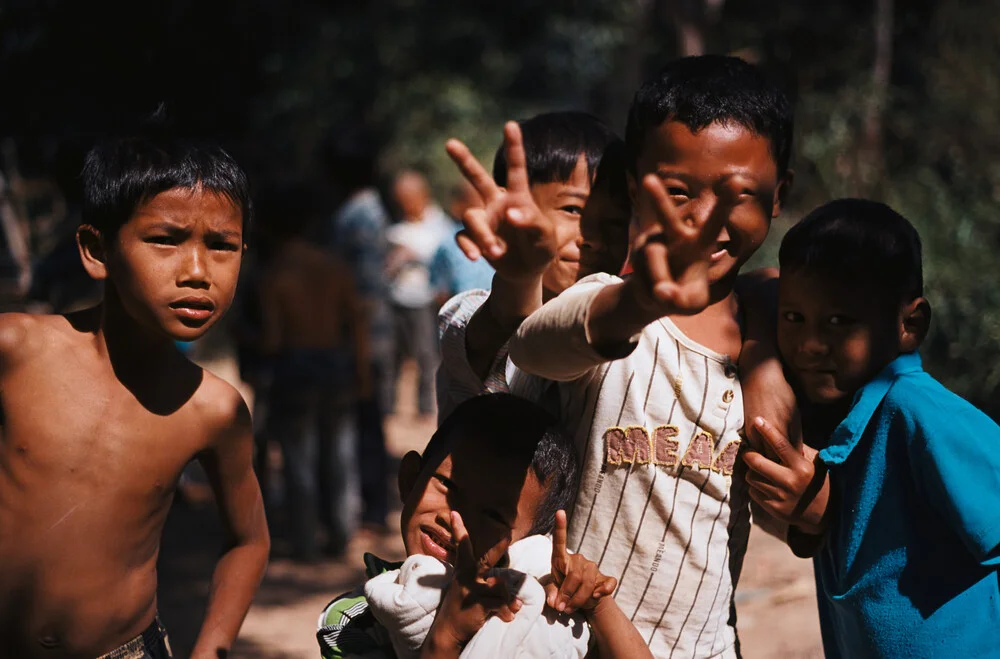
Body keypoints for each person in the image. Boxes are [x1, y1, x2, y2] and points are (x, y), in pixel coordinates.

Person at [505, 55, 795, 656]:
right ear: (636, 185)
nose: (701, 219)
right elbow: (536, 345)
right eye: (679, 192)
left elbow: (790, 514)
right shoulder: (607, 307)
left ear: (777, 197)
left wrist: (811, 503)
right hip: (566, 642)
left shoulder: (781, 343)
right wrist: (639, 300)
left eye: (737, 194)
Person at [0, 134, 270, 658]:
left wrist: (212, 647)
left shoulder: (212, 409)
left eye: (222, 246)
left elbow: (250, 540)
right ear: (97, 250)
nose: (197, 272)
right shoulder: (16, 350)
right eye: (166, 239)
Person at [742, 199, 1000, 658]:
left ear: (910, 325)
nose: (811, 343)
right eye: (793, 318)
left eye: (840, 322)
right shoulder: (842, 415)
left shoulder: (919, 412)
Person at [316, 393, 652, 659]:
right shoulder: (354, 621)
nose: (455, 519)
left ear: (528, 541)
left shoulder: (538, 611)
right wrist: (445, 637)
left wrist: (597, 604)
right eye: (448, 487)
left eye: (492, 516)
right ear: (409, 479)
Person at [437, 111, 630, 420]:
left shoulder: (633, 330)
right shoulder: (470, 314)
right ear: (509, 208)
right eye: (572, 209)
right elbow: (510, 321)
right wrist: (521, 278)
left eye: (617, 221)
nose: (593, 238)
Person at [258, 186, 368, 559]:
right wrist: (362, 370)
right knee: (340, 453)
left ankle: (304, 542)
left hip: (296, 368)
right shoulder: (334, 266)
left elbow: (272, 340)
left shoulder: (275, 274)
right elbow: (357, 323)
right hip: (336, 364)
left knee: (298, 458)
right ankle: (341, 534)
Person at [326, 141, 392, 531]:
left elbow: (364, 292)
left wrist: (361, 347)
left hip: (365, 338)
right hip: (363, 336)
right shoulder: (362, 211)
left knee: (365, 420)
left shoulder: (361, 216)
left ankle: (373, 507)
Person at [387, 170, 451, 419]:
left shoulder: (440, 226)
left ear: (422, 196)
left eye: (408, 198)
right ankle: (390, 407)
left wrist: (413, 254)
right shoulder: (397, 226)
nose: (404, 204)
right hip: (397, 297)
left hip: (424, 300)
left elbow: (443, 259)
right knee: (393, 355)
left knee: (426, 354)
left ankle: (425, 407)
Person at [429, 181, 494, 306]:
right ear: (458, 206)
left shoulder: (501, 236)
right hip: (465, 315)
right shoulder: (448, 243)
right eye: (478, 199)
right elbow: (440, 290)